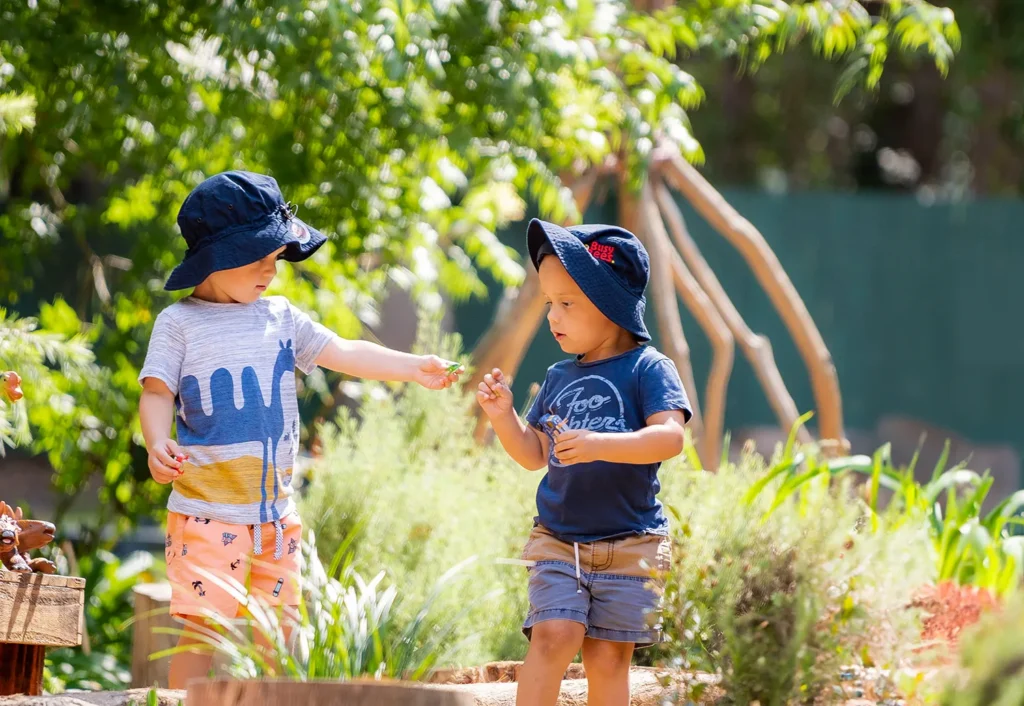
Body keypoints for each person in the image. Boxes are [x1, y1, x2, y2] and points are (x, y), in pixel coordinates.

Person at [138, 171, 463, 689]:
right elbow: (157, 392)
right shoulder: (180, 324)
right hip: (205, 511)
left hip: (275, 515)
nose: (272, 270)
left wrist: (413, 366)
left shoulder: (282, 317)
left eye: (277, 258)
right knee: (203, 631)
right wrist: (158, 442)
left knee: (282, 633)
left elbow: (346, 352)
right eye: (259, 258)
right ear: (215, 258)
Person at [476, 219, 691, 706]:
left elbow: (670, 438)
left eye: (567, 303)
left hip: (632, 543)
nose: (554, 316)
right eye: (550, 302)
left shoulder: (648, 368)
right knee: (554, 635)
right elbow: (534, 454)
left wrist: (599, 444)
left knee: (609, 659)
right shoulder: (557, 375)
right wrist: (503, 416)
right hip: (559, 541)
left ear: (612, 306)